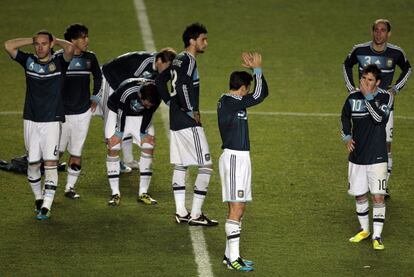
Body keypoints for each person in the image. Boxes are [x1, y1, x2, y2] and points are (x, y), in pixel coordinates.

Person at [4, 30, 74, 220]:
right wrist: (31, 39)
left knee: (50, 163)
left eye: (44, 43)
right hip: (31, 121)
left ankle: (47, 206)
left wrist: (54, 40)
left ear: (51, 45)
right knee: (33, 163)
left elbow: (70, 48)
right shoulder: (28, 62)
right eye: (37, 44)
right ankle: (38, 198)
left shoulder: (60, 63)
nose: (40, 47)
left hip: (51, 121)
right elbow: (8, 45)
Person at [157, 22, 217, 226]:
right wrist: (191, 109)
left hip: (176, 119)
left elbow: (159, 81)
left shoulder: (177, 60)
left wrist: (169, 102)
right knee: (206, 165)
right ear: (192, 41)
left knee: (181, 164)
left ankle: (181, 211)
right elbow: (182, 85)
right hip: (187, 120)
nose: (205, 44)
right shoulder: (189, 61)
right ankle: (196, 214)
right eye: (203, 39)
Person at [343, 19, 411, 196]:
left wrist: (395, 88)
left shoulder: (396, 53)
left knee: (386, 145)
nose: (379, 33)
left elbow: (408, 69)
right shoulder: (359, 50)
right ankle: (362, 183)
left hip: (383, 108)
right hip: (361, 107)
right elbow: (346, 64)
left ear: (389, 34)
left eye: (383, 30)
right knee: (362, 143)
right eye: (376, 30)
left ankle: (383, 185)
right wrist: (351, 88)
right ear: (372, 31)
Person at [217, 52, 268, 271]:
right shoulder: (230, 101)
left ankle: (230, 257)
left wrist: (255, 73)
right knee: (236, 208)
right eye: (247, 88)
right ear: (243, 88)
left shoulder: (232, 102)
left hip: (239, 158)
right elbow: (260, 95)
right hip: (234, 158)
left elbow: (257, 94)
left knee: (239, 207)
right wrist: (257, 70)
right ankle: (234, 259)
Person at [341, 64, 393, 250]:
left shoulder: (386, 97)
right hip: (357, 156)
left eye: (369, 80)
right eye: (363, 78)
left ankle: (377, 236)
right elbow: (344, 117)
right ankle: (364, 230)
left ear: (377, 82)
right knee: (359, 194)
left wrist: (368, 97)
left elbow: (379, 119)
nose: (364, 82)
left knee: (378, 197)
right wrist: (346, 137)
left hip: (377, 157)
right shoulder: (352, 97)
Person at [98, 48, 176, 173]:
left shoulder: (159, 70)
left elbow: (159, 87)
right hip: (109, 79)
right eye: (167, 67)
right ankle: (116, 161)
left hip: (124, 84)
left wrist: (170, 102)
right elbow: (128, 85)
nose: (168, 71)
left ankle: (128, 159)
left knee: (128, 117)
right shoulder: (143, 63)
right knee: (113, 120)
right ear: (159, 60)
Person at [57, 23, 102, 199]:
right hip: (62, 113)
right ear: (72, 41)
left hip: (83, 113)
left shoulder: (91, 58)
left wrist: (95, 97)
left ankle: (70, 188)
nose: (87, 40)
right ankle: (48, 187)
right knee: (56, 152)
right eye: (83, 37)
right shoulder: (60, 58)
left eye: (86, 36)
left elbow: (98, 76)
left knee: (76, 152)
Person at [105, 78, 161, 206]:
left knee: (148, 145)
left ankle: (143, 192)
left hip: (140, 117)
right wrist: (118, 134)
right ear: (140, 95)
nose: (146, 106)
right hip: (116, 112)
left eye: (149, 104)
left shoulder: (156, 97)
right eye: (145, 103)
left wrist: (143, 133)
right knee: (113, 148)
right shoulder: (127, 92)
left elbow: (149, 111)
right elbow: (121, 112)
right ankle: (115, 193)